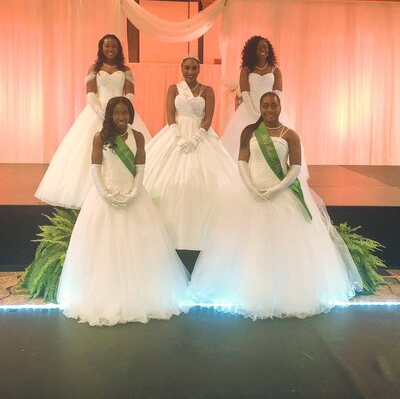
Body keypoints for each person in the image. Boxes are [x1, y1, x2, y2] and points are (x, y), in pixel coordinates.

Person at [190, 92, 362, 319]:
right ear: (260, 108)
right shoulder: (250, 132)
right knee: (249, 244)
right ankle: (250, 291)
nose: (269, 109)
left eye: (273, 105)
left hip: (280, 195)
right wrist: (250, 186)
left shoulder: (290, 135)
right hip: (250, 193)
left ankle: (283, 293)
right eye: (265, 106)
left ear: (280, 107)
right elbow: (242, 160)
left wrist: (277, 188)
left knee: (283, 246)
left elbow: (295, 167)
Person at [57, 97, 188, 326]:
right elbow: (95, 168)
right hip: (104, 198)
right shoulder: (100, 137)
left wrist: (135, 191)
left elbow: (140, 167)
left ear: (130, 114)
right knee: (104, 248)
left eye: (125, 113)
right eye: (117, 113)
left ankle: (140, 296)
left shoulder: (137, 137)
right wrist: (105, 193)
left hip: (134, 197)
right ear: (110, 115)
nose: (121, 117)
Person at [35, 34, 151, 209]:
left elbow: (130, 92)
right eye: (107, 46)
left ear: (118, 49)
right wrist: (100, 112)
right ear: (101, 48)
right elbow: (90, 92)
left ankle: (128, 186)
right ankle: (93, 194)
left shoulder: (125, 69)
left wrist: (123, 108)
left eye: (114, 46)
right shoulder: (94, 69)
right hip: (99, 112)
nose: (110, 49)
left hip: (121, 112)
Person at [143, 55, 237, 251]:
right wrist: (178, 137)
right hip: (175, 133)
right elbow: (170, 115)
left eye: (194, 68)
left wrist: (196, 138)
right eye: (186, 68)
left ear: (199, 69)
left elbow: (208, 118)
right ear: (181, 68)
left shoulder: (207, 90)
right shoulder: (173, 89)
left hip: (201, 135)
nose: (190, 72)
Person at [221, 35, 282, 160]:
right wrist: (254, 114)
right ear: (252, 51)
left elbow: (277, 93)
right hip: (249, 110)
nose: (262, 49)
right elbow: (245, 93)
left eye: (265, 47)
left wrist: (271, 113)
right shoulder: (246, 70)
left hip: (271, 111)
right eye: (258, 47)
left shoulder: (275, 70)